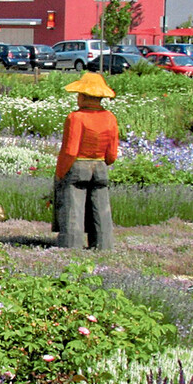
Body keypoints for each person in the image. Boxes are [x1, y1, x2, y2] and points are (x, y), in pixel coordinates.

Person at [54, 71, 119, 250]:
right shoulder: (110, 118)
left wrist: (60, 172)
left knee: (74, 208)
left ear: (83, 96)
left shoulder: (76, 118)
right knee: (101, 209)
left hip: (78, 166)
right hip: (100, 166)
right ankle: (104, 246)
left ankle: (71, 246)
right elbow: (112, 154)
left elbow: (70, 150)